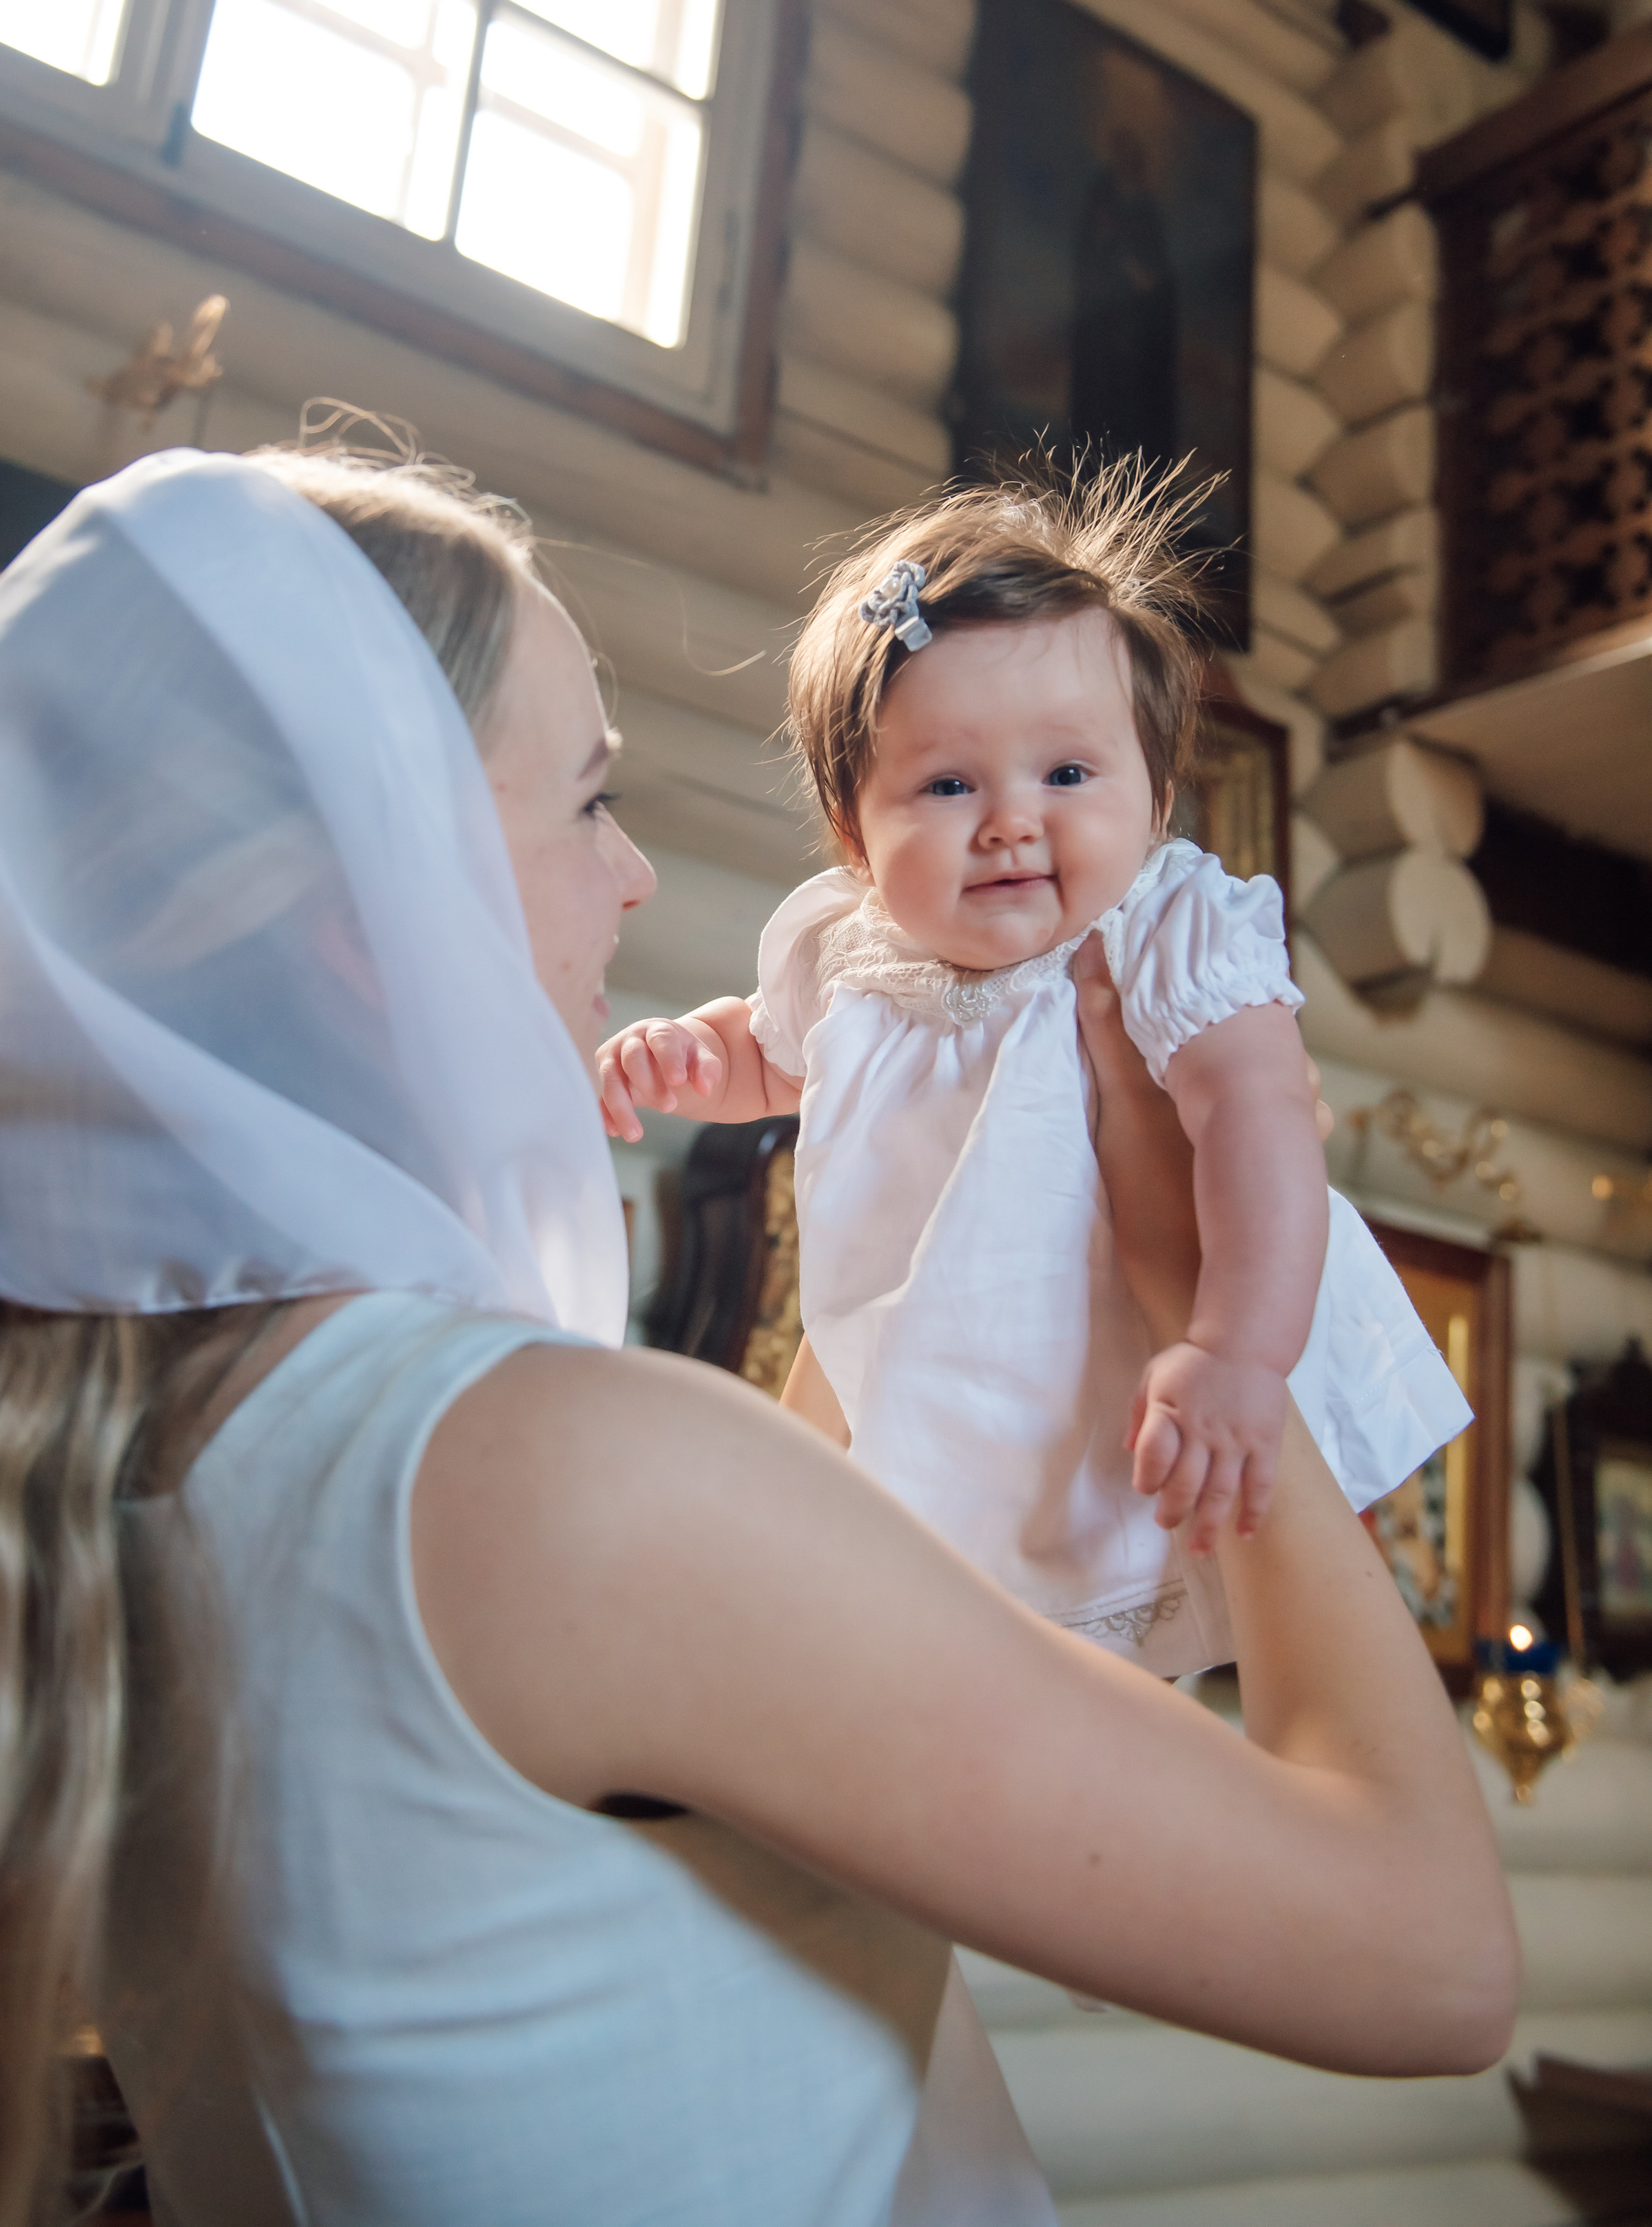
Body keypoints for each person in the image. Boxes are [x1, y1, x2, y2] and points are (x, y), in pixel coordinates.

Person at [0, 444, 1516, 2227]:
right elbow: (1434, 1961)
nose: (641, 876)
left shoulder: (99, 1459)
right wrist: (1171, 1271)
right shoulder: (540, 1479)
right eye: (587, 802)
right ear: (370, 901)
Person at [599, 476, 1472, 1674]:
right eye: (950, 785)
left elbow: (1261, 1120)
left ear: (1156, 795)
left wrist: (1237, 1349)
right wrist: (699, 1053)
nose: (1013, 821)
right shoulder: (847, 953)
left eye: (1067, 774)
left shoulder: (1162, 931)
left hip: (1143, 1370)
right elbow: (771, 1053)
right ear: (855, 832)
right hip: (956, 1379)